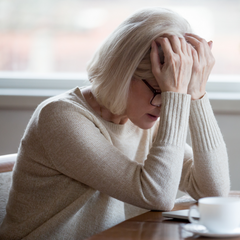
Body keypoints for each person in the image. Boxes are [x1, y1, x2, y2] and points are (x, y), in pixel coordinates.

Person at [0, 7, 230, 240]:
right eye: (161, 91)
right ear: (123, 73)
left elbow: (213, 191)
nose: (165, 106)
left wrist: (197, 94)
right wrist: (176, 98)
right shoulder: (60, 117)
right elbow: (157, 195)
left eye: (174, 94)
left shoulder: (140, 119)